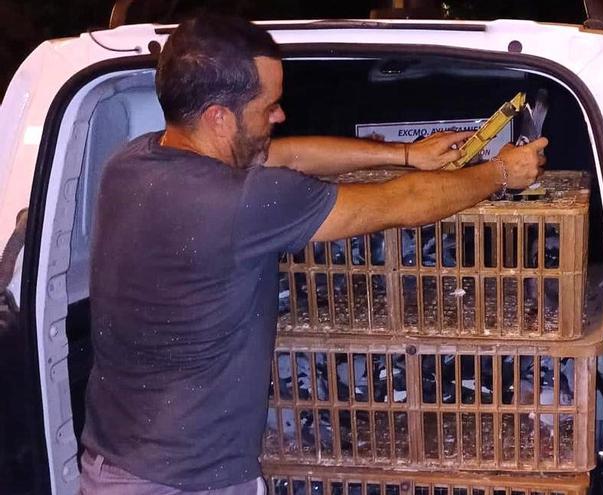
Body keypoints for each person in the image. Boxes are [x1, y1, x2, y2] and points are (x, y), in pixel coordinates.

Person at [78, 14, 548, 495]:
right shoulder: (244, 203)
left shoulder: (131, 161)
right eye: (270, 107)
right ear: (219, 117)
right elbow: (402, 205)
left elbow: (283, 154)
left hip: (110, 464)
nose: (280, 117)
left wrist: (405, 155)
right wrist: (501, 174)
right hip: (191, 480)